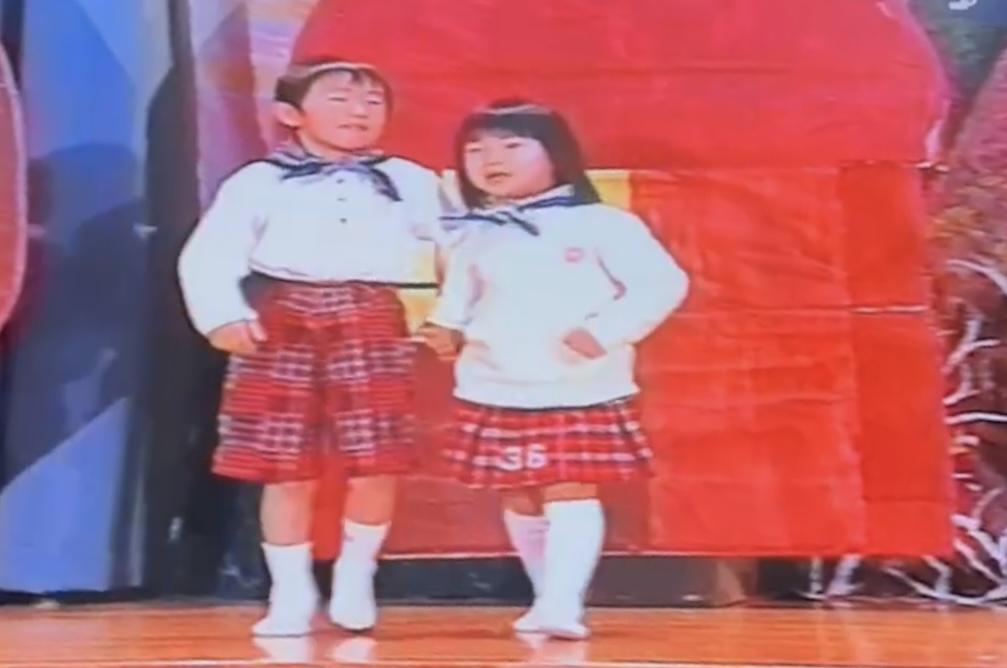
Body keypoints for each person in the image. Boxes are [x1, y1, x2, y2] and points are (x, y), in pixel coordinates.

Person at [177, 58, 442, 637]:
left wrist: (452, 317)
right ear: (290, 113)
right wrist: (222, 316)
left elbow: (462, 247)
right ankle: (290, 591)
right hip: (284, 319)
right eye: (340, 99)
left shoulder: (409, 180)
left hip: (371, 315)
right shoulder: (258, 181)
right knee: (283, 465)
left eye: (372, 102)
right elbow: (210, 252)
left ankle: (356, 576)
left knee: (378, 457)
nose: (359, 112)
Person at [418, 99, 689, 640]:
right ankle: (546, 598)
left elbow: (662, 284)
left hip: (576, 381)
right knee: (518, 490)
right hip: (494, 381)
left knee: (569, 488)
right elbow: (456, 300)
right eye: (476, 150)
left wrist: (605, 332)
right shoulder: (476, 233)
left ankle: (565, 603)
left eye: (511, 145)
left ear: (556, 154)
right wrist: (444, 330)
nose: (491, 158)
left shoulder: (604, 223)